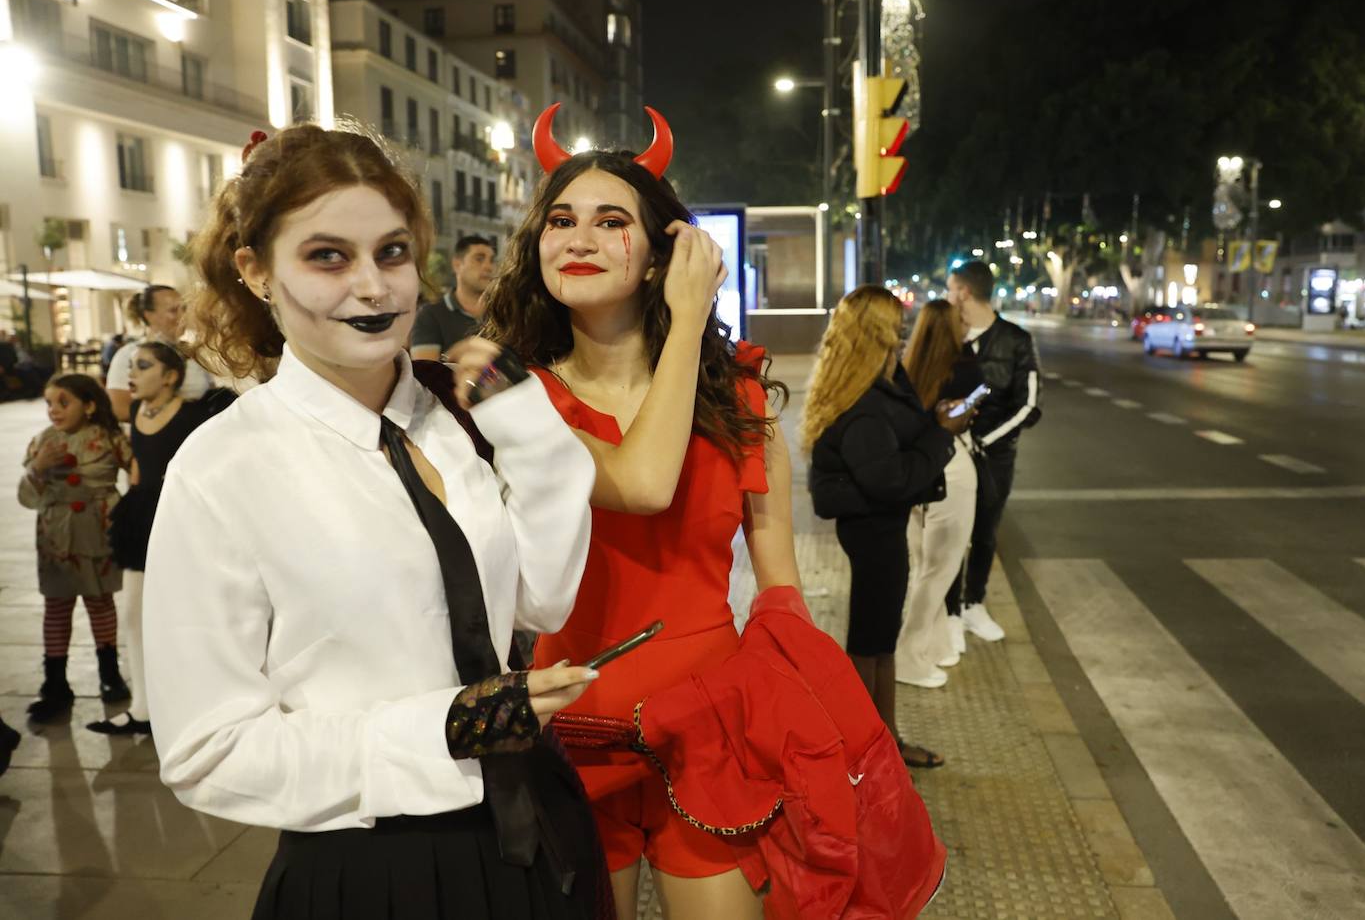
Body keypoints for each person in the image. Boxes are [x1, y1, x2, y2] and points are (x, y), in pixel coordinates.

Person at [142, 123, 610, 918]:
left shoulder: (448, 418)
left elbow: (541, 600)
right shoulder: (222, 466)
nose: (375, 286)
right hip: (375, 870)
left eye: (392, 252)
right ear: (255, 271)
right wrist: (447, 727)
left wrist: (533, 434)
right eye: (328, 256)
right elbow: (205, 751)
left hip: (539, 834)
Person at [484, 107, 797, 919]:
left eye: (611, 220)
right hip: (568, 722)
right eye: (561, 220)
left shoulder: (739, 397)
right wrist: (690, 321)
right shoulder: (518, 401)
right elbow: (643, 483)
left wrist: (798, 722)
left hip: (711, 729)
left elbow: (781, 591)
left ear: (664, 256)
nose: (579, 238)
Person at [803, 286, 967, 769]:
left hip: (878, 527)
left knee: (878, 639)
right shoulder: (866, 405)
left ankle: (882, 742)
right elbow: (892, 480)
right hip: (875, 529)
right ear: (877, 331)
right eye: (895, 324)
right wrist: (942, 433)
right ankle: (868, 748)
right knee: (871, 642)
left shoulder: (874, 385)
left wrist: (935, 420)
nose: (903, 332)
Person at [93, 342, 212, 735]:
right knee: (134, 614)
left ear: (171, 376)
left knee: (192, 616)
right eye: (131, 366)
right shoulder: (137, 410)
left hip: (184, 520)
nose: (132, 373)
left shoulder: (196, 413)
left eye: (143, 366)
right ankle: (143, 709)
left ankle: (195, 704)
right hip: (142, 519)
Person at [20, 373, 133, 723]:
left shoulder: (110, 439)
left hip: (97, 533)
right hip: (56, 536)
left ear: (88, 405)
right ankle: (55, 680)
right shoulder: (42, 442)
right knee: (57, 606)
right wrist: (38, 469)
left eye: (63, 402)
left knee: (100, 601)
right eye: (49, 403)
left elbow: (138, 472)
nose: (54, 410)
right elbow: (26, 496)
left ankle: (109, 673)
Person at [944, 261, 1043, 642]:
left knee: (985, 530)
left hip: (995, 458)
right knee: (950, 530)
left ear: (965, 292)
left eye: (951, 289)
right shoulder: (948, 337)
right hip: (950, 454)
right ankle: (949, 610)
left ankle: (974, 604)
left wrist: (985, 441)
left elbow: (1029, 406)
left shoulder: (1016, 341)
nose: (948, 297)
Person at [895, 300, 985, 685]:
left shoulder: (906, 367)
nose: (967, 324)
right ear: (950, 329)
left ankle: (932, 645)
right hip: (952, 466)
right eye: (961, 320)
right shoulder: (966, 368)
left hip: (917, 467)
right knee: (940, 568)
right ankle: (909, 656)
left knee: (922, 566)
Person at [106, 285, 211, 421]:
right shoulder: (129, 354)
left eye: (184, 309)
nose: (183, 316)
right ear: (148, 316)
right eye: (173, 310)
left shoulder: (192, 351)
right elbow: (121, 410)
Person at [410, 234, 495, 361]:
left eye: (492, 260)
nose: (489, 267)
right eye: (479, 259)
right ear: (457, 265)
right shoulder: (430, 315)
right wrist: (456, 354)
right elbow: (423, 373)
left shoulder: (503, 311)